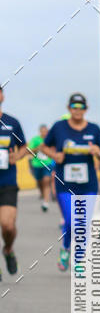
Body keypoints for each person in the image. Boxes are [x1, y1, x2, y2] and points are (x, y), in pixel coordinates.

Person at [43, 93, 100, 271]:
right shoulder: (59, 127)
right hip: (65, 182)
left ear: (86, 109)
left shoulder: (94, 129)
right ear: (69, 108)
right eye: (74, 107)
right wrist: (55, 155)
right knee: (71, 221)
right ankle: (65, 248)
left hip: (88, 184)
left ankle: (79, 260)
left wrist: (98, 152)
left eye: (81, 107)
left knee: (83, 222)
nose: (77, 110)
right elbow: (44, 146)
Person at [0, 84, 27, 279]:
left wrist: (16, 157)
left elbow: (24, 147)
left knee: (8, 225)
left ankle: (8, 250)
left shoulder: (12, 123)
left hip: (7, 181)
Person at [28, 124, 53, 211]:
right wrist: (38, 148)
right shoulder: (35, 139)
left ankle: (46, 202)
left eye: (46, 131)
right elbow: (29, 151)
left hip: (48, 163)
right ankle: (42, 194)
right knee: (39, 182)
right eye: (43, 131)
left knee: (46, 181)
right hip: (37, 164)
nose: (44, 133)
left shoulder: (50, 139)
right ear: (40, 132)